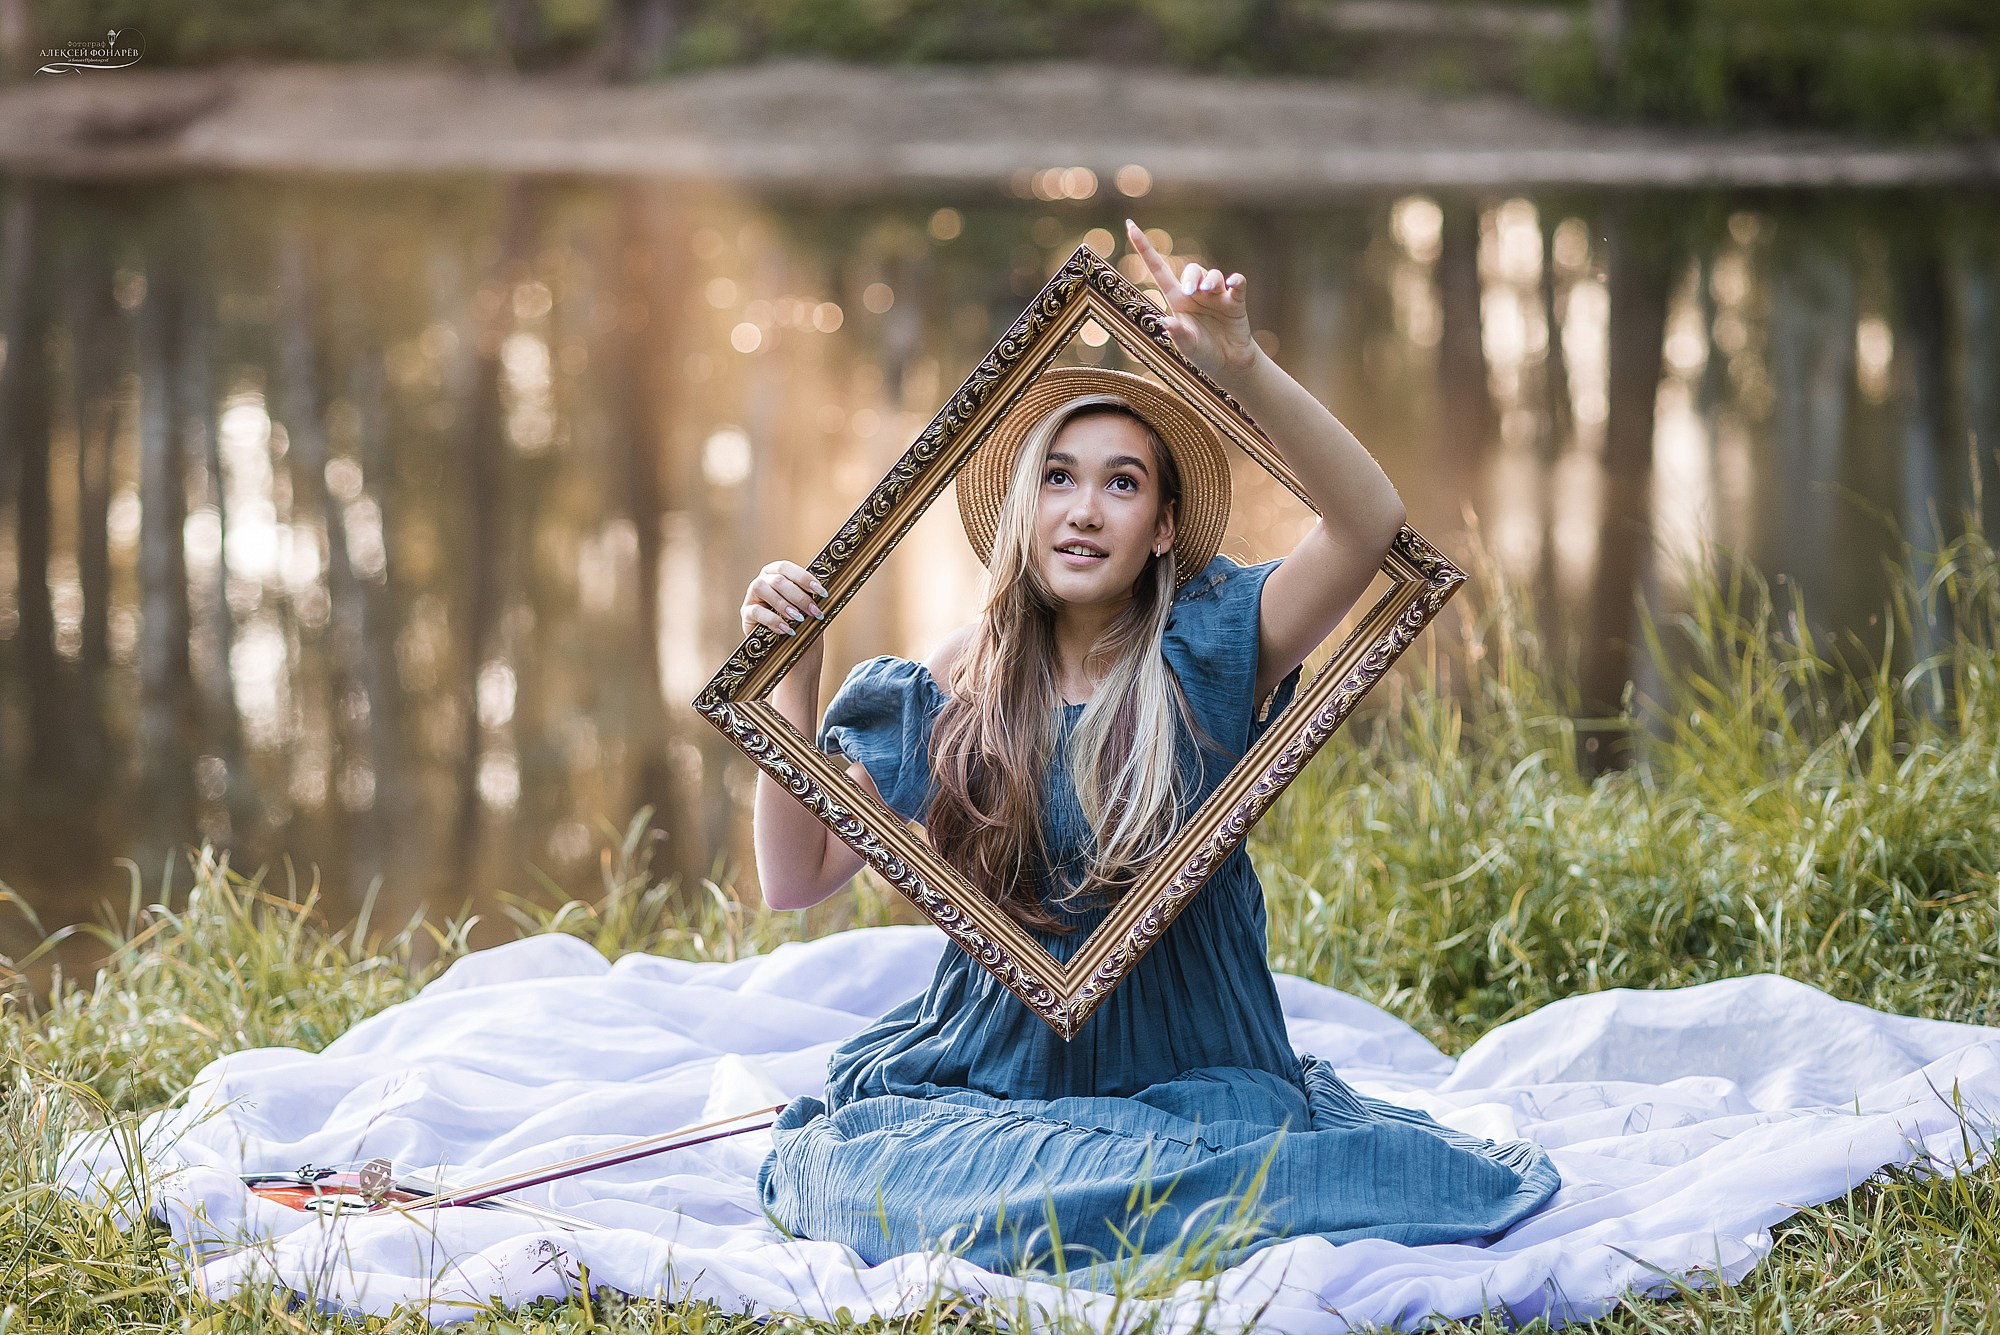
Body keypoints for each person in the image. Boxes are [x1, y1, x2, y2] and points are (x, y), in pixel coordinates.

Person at [738, 220, 1558, 1279]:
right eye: (1059, 479)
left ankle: (1101, 1199)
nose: (1084, 511)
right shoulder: (952, 679)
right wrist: (789, 675)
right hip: (989, 1072)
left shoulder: (1216, 642)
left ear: (1164, 527)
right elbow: (791, 879)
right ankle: (1055, 1196)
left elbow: (1366, 523)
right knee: (868, 1177)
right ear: (1023, 510)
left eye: (1122, 484)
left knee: (1236, 1181)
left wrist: (1241, 363)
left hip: (1199, 1068)